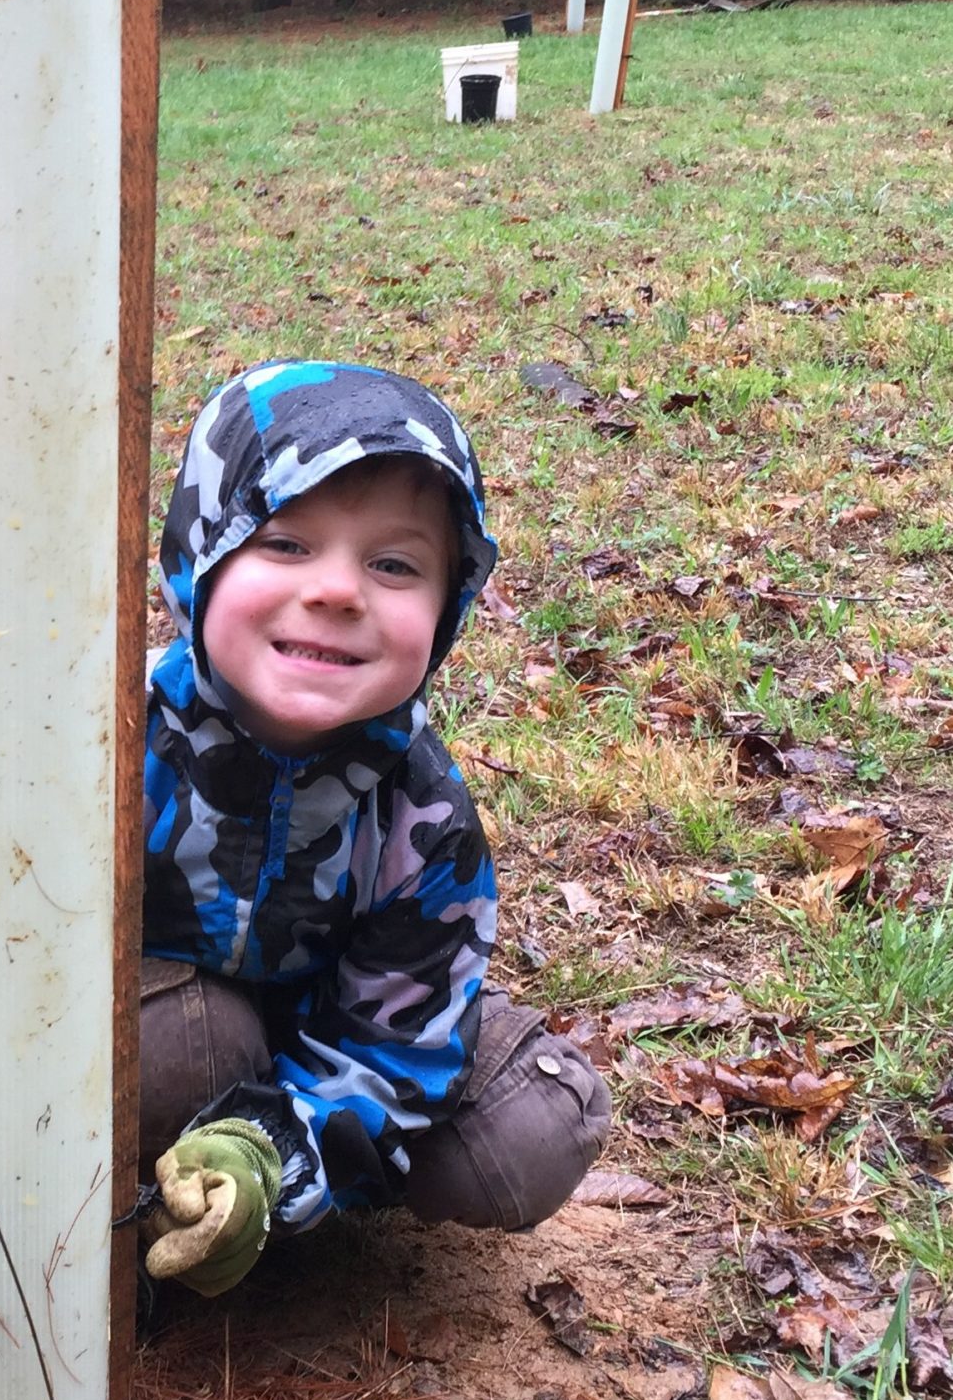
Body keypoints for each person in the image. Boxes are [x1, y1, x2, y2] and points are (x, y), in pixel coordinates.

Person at [139, 360, 611, 1297]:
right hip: (156, 1031)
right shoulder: (112, 740)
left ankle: (277, 1201)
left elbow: (402, 1042)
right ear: (200, 554)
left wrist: (276, 1150)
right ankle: (131, 1220)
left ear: (448, 607)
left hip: (330, 1041)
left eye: (394, 564)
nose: (339, 591)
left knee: (537, 1123)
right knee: (194, 1047)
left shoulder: (424, 812)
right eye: (284, 543)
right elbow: (13, 964)